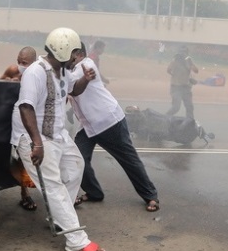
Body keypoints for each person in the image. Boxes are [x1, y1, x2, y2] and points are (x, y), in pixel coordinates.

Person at [10, 27, 106, 251]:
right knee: (53, 186)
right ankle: (76, 240)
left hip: (58, 134)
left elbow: (76, 89)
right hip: (35, 138)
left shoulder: (62, 70)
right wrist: (37, 144)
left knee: (75, 167)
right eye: (74, 53)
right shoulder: (36, 72)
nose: (77, 57)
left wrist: (85, 78)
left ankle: (60, 216)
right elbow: (26, 106)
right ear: (63, 51)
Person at [68, 46, 160, 212]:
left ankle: (150, 195)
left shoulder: (86, 66)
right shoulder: (72, 68)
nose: (65, 58)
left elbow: (71, 85)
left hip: (108, 122)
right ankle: (94, 192)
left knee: (128, 160)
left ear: (80, 54)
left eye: (69, 54)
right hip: (88, 126)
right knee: (77, 158)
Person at [0, 46, 40, 211]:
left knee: (33, 158)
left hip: (32, 120)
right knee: (18, 159)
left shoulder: (38, 74)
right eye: (19, 61)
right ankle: (25, 194)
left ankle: (55, 194)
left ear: (33, 63)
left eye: (24, 62)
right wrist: (10, 82)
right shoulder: (13, 70)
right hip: (13, 118)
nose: (20, 64)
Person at [166, 45, 199, 120]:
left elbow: (196, 70)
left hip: (185, 87)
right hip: (176, 87)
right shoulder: (175, 60)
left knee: (189, 107)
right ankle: (165, 118)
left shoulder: (187, 60)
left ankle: (190, 122)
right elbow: (168, 70)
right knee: (176, 107)